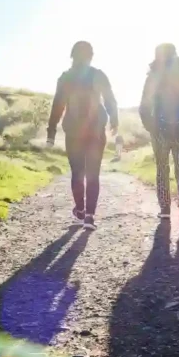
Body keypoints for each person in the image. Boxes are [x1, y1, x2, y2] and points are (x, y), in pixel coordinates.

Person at [47, 41, 118, 230]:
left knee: (77, 172)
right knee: (93, 173)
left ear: (72, 56)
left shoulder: (66, 77)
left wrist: (51, 132)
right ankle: (89, 216)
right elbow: (110, 98)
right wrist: (114, 119)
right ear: (91, 56)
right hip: (96, 131)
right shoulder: (98, 75)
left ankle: (80, 209)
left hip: (73, 132)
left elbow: (58, 105)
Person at [139, 43, 179, 225]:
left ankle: (165, 209)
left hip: (161, 132)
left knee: (162, 169)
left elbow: (144, 108)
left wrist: (152, 127)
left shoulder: (153, 79)